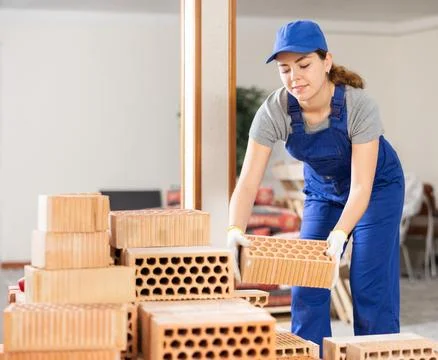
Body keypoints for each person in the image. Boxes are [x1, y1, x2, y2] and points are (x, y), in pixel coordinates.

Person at [227, 19, 405, 353]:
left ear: (326, 62)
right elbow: (248, 182)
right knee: (307, 281)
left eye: (304, 64)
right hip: (323, 192)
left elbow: (362, 186)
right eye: (284, 69)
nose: (294, 77)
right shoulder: (274, 112)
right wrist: (234, 229)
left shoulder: (358, 106)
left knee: (368, 280)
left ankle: (377, 352)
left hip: (377, 188)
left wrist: (339, 235)